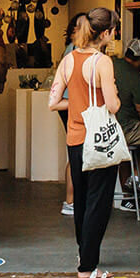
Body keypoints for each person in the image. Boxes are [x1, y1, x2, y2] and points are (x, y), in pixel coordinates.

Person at [48, 8, 121, 278]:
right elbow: (112, 105)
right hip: (99, 138)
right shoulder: (102, 62)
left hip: (75, 137)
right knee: (98, 203)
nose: (114, 35)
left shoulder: (68, 60)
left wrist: (77, 104)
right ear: (105, 33)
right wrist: (114, 97)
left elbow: (53, 102)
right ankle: (88, 268)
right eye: (114, 31)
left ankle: (84, 256)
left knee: (81, 200)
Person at [113, 38, 140, 204]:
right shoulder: (136, 78)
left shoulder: (111, 63)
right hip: (126, 129)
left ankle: (128, 197)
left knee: (127, 154)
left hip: (109, 129)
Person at [56, 13, 86, 216]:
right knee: (77, 153)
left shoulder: (73, 49)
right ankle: (71, 200)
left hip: (70, 104)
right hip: (73, 105)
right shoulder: (76, 50)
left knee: (77, 152)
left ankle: (73, 200)